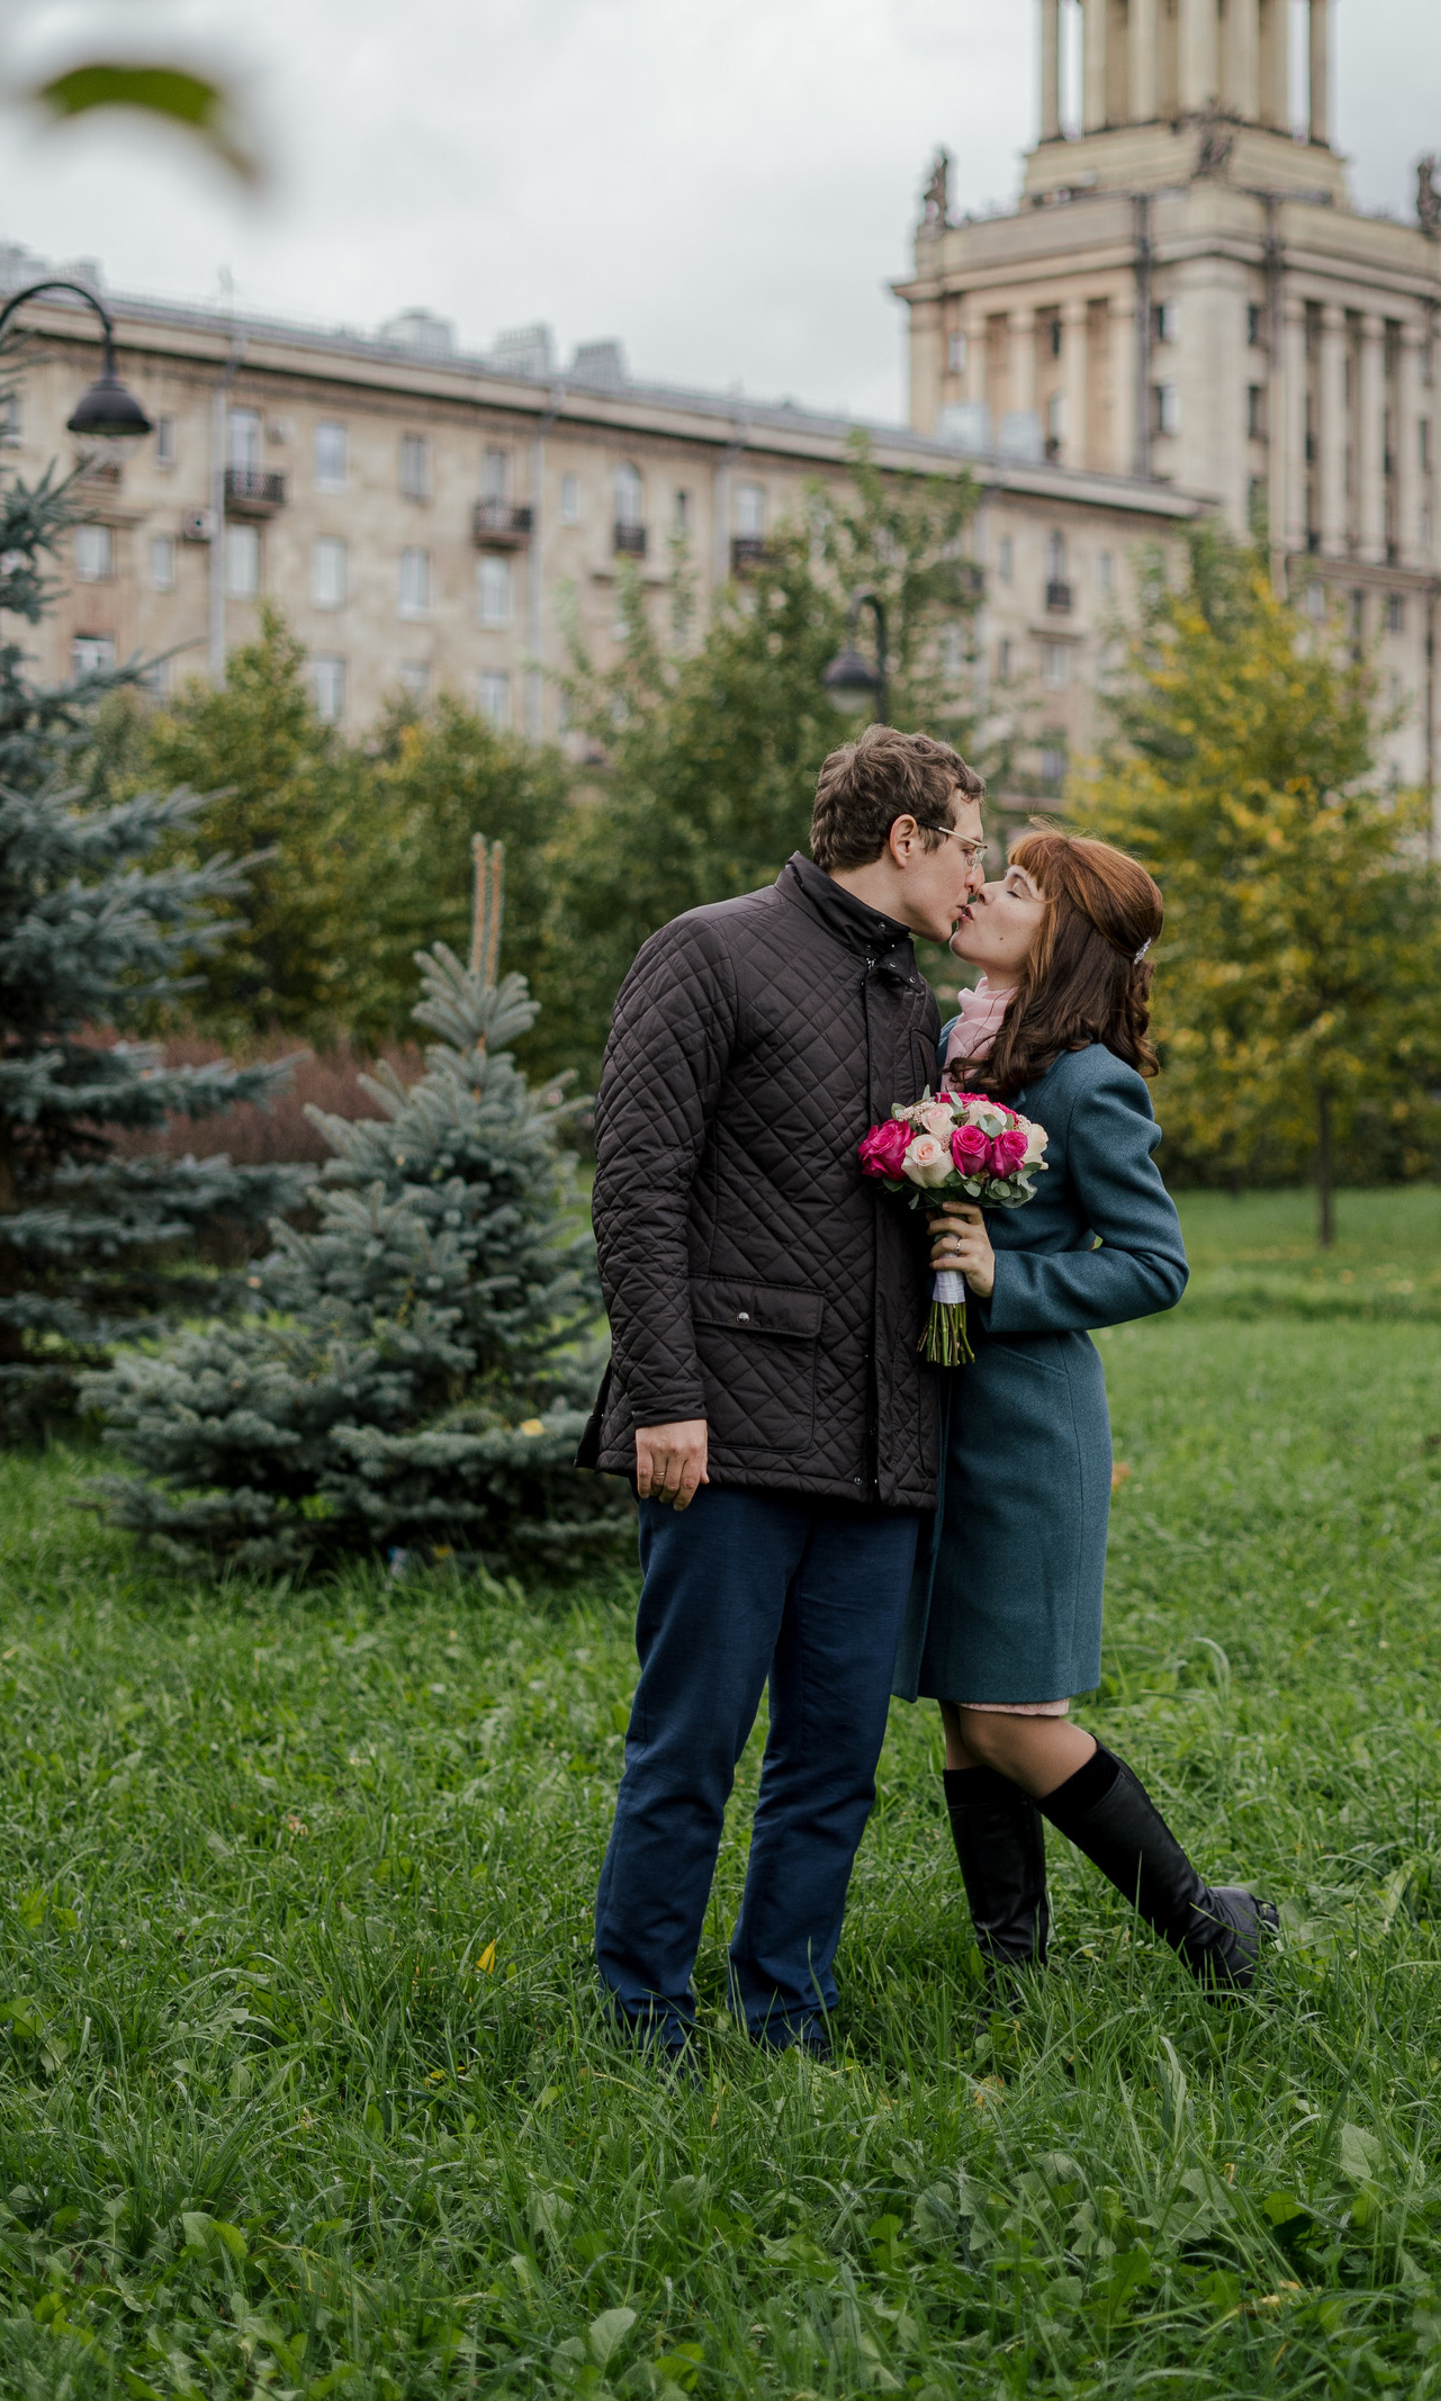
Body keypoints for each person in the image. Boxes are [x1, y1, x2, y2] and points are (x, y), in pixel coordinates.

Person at [582, 725, 987, 2054]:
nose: (976, 880)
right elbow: (636, 1191)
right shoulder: (708, 951)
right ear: (905, 839)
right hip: (729, 1429)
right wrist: (665, 1396)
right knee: (689, 1749)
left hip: (878, 1441)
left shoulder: (910, 998)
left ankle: (788, 2014)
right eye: (968, 849)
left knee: (834, 1765)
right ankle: (644, 2019)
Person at [897, 831, 1277, 1989]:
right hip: (944, 1417)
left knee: (1015, 1711)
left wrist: (1015, 1281)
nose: (987, 894)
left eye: (1016, 889)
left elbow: (1155, 1264)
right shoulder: (964, 1051)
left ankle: (1210, 1934)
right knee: (968, 1710)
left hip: (1027, 1429)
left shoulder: (1085, 1081)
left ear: (1058, 935)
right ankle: (1013, 1968)